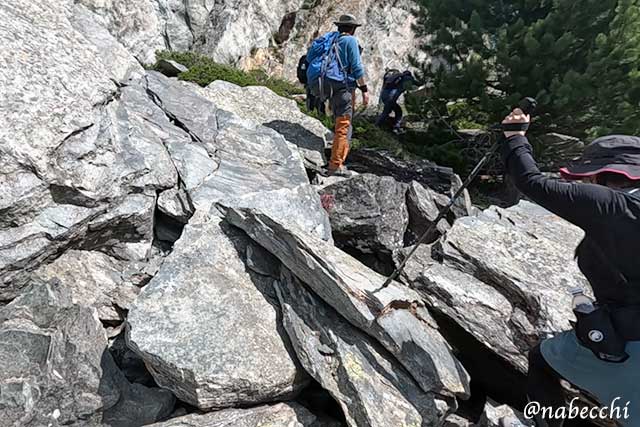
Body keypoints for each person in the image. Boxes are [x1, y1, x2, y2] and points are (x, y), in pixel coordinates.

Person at [500, 108, 640, 427]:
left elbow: (531, 181)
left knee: (542, 359)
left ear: (605, 173)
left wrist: (515, 137)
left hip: (630, 343)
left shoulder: (610, 204)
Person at [317, 14, 369, 176]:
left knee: (340, 123)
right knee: (344, 126)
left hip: (329, 87)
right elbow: (356, 67)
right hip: (344, 88)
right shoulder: (350, 41)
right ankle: (335, 166)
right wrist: (364, 89)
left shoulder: (333, 40)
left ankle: (335, 156)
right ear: (352, 29)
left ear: (339, 27)